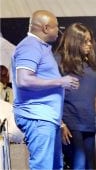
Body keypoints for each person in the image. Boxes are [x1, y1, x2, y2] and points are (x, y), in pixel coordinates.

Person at [11, 10, 79, 169]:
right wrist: (60, 81)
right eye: (57, 27)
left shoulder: (40, 47)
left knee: (55, 166)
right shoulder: (30, 46)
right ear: (46, 28)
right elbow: (23, 79)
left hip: (46, 118)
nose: (59, 31)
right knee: (43, 166)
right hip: (37, 117)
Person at [55, 22, 96, 169]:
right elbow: (51, 93)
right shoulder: (59, 61)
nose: (89, 44)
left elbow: (93, 90)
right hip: (70, 120)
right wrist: (60, 123)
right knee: (79, 164)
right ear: (74, 41)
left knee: (89, 166)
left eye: (90, 40)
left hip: (88, 121)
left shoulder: (89, 63)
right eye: (85, 41)